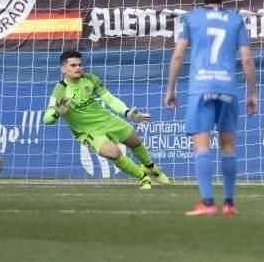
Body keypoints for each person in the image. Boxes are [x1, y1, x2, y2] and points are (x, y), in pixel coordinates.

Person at [164, 0, 258, 216]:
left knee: (201, 146)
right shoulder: (236, 20)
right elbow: (246, 59)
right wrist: (253, 93)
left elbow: (177, 56)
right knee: (228, 146)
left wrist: (170, 90)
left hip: (201, 87)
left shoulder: (193, 18)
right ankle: (229, 203)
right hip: (227, 87)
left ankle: (207, 203)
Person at [43, 51, 170, 189]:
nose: (78, 68)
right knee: (114, 153)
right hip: (87, 131)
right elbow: (47, 119)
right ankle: (142, 176)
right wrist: (57, 113)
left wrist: (127, 112)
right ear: (63, 69)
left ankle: (150, 167)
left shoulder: (90, 79)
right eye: (73, 65)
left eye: (79, 65)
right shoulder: (60, 90)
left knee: (135, 141)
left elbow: (109, 99)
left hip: (106, 119)